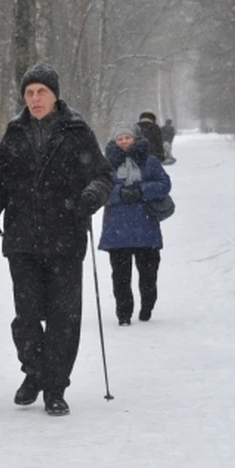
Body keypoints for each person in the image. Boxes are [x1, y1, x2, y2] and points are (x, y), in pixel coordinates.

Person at [0, 63, 113, 416]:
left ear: (55, 95)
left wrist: (91, 197)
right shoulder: (15, 133)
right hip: (21, 240)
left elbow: (102, 176)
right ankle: (34, 372)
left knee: (63, 318)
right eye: (29, 93)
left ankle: (55, 387)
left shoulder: (77, 132)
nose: (35, 99)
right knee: (26, 317)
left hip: (65, 237)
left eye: (42, 92)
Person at [98, 122, 172, 325]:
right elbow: (98, 190)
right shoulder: (105, 164)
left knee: (149, 274)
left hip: (146, 227)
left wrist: (141, 191)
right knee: (120, 278)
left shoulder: (150, 161)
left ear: (134, 139)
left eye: (127, 138)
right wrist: (120, 193)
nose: (123, 142)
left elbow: (165, 184)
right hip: (117, 230)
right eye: (119, 139)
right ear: (114, 141)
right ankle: (123, 314)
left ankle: (147, 306)